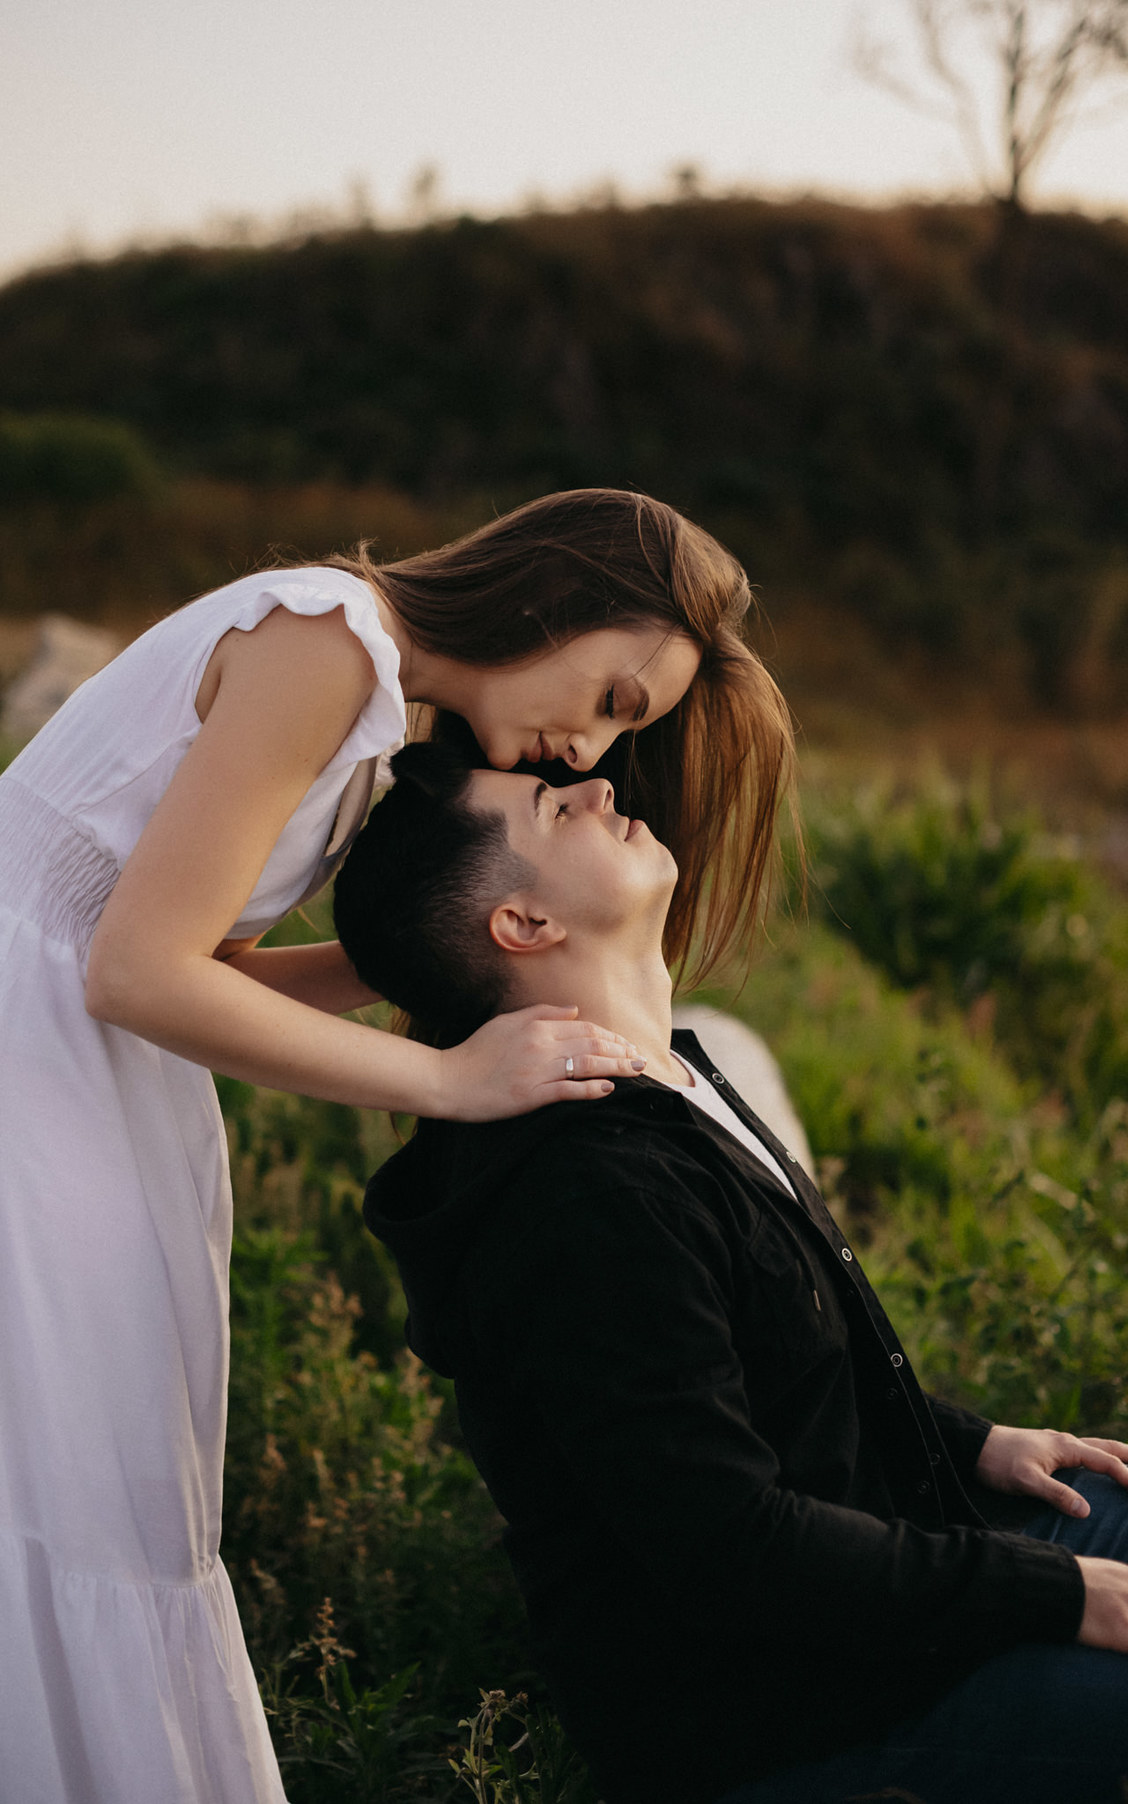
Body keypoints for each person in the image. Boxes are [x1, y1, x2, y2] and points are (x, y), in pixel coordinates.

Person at [0, 489, 794, 1804]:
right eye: (613, 698)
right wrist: (448, 1076)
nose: (589, 747)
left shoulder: (373, 707)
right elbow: (134, 969)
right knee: (66, 1483)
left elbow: (206, 957)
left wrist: (435, 964)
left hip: (92, 1069)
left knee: (115, 1483)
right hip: (37, 1058)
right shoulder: (331, 641)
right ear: (558, 596)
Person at [337, 742, 1128, 1804]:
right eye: (557, 810)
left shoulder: (660, 1076)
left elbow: (775, 1355)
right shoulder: (583, 1192)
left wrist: (970, 1442)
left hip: (879, 1555)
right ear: (524, 925)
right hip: (792, 1712)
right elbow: (731, 1548)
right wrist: (1059, 1591)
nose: (604, 786)